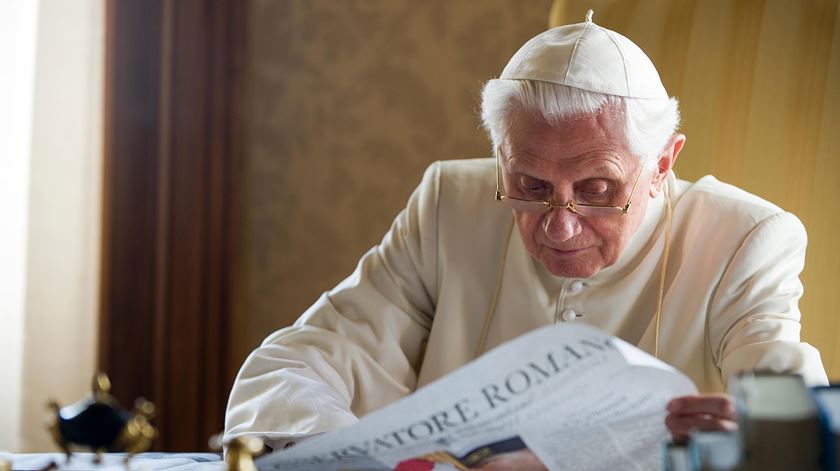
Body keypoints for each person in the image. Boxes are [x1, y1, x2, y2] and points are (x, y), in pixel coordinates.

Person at [224, 11, 828, 451]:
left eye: (597, 190)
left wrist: (758, 435)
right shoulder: (449, 205)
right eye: (530, 187)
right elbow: (293, 366)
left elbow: (788, 405)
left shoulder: (746, 239)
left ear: (662, 165)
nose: (560, 227)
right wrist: (349, 458)